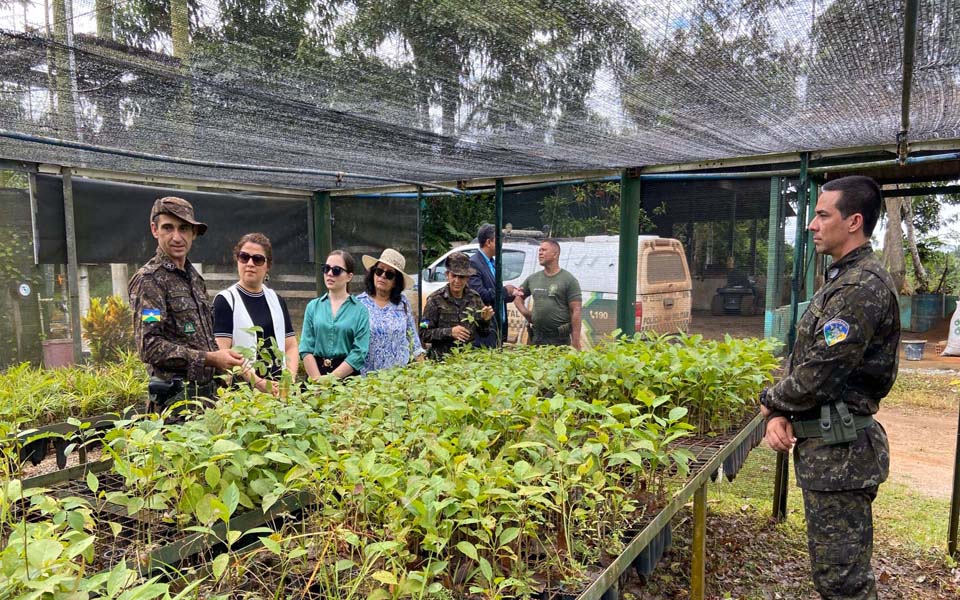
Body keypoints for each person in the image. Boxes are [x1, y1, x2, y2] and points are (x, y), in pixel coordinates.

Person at [760, 175, 899, 600]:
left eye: (822, 215)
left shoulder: (860, 287)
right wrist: (785, 412)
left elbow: (820, 373)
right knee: (833, 577)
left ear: (854, 221)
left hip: (843, 456)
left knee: (844, 584)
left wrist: (770, 402)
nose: (811, 225)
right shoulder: (843, 279)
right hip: (829, 451)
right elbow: (806, 363)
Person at [129, 196, 243, 411]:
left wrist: (222, 360)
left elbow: (201, 338)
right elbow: (150, 346)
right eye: (168, 228)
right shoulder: (149, 281)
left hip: (208, 402)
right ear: (155, 230)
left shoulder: (194, 279)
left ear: (193, 233)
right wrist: (210, 358)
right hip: (176, 407)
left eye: (183, 228)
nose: (177, 237)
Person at [213, 233, 298, 394]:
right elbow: (222, 353)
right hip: (243, 396)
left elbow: (291, 345)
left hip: (280, 394)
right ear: (237, 260)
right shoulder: (225, 300)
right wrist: (257, 381)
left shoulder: (277, 300)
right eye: (244, 257)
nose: (250, 263)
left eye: (257, 259)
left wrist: (290, 380)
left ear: (268, 265)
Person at [299, 250, 369, 379]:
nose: (330, 273)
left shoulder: (360, 311)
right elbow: (306, 348)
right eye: (326, 269)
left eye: (336, 270)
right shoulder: (313, 307)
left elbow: (359, 352)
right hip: (315, 377)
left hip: (348, 379)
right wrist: (317, 382)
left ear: (349, 276)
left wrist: (330, 380)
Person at [357, 248, 426, 374]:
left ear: (396, 282)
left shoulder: (403, 303)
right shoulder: (359, 304)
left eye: (389, 274)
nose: (382, 276)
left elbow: (413, 340)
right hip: (367, 382)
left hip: (397, 381)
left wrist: (424, 373)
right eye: (379, 271)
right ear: (373, 274)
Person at [420, 252, 494, 359]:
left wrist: (485, 320)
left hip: (466, 360)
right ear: (447, 275)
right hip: (441, 362)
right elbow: (423, 332)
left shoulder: (474, 298)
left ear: (468, 278)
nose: (457, 281)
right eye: (454, 276)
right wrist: (450, 332)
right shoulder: (434, 299)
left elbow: (484, 333)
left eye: (462, 277)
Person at [513, 239, 582, 349]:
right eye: (539, 250)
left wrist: (576, 341)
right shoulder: (533, 278)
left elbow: (576, 310)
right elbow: (518, 297)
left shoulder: (569, 280)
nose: (540, 253)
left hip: (560, 339)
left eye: (544, 250)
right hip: (537, 337)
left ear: (555, 254)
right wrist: (526, 313)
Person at [468, 224, 519, 347]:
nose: (501, 244)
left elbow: (496, 294)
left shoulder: (494, 263)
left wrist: (511, 294)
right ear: (489, 242)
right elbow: (479, 294)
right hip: (484, 329)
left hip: (497, 327)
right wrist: (505, 291)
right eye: (499, 240)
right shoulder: (474, 263)